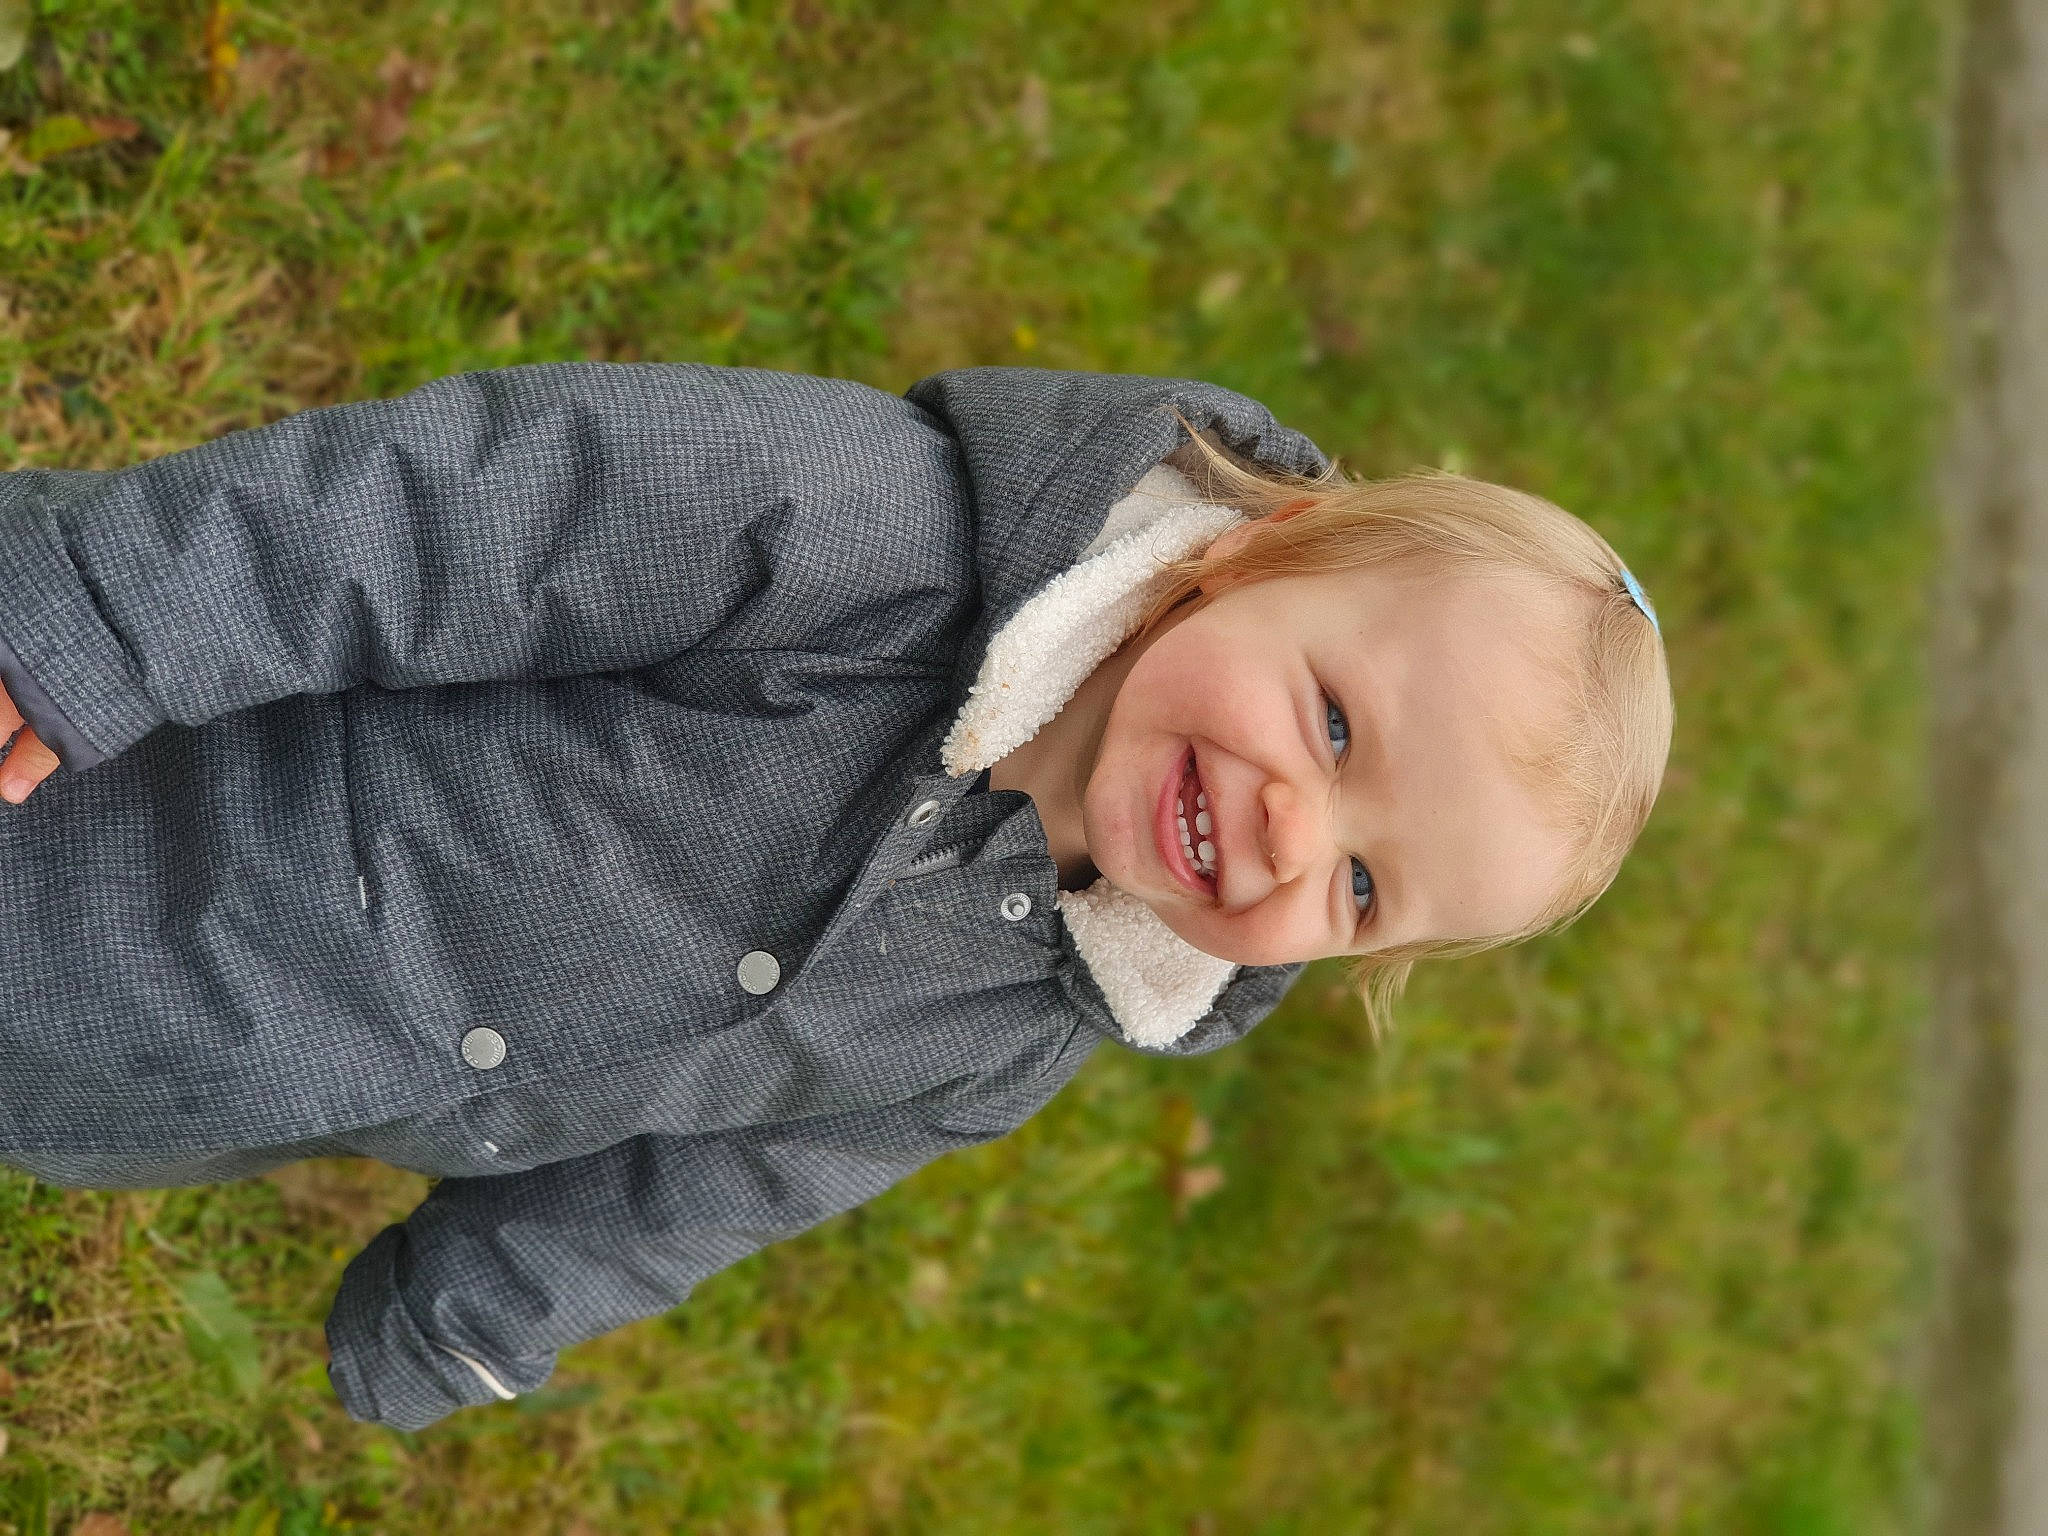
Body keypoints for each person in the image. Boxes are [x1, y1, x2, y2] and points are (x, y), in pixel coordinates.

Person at [0, 362, 1671, 1429]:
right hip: (99, 779)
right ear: (1256, 550)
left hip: (157, 1076)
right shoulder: (870, 534)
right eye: (1335, 726)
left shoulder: (1022, 1026)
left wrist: (484, 1307)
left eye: (1364, 885)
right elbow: (465, 511)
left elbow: (721, 1181)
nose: (1291, 835)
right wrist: (111, 618)